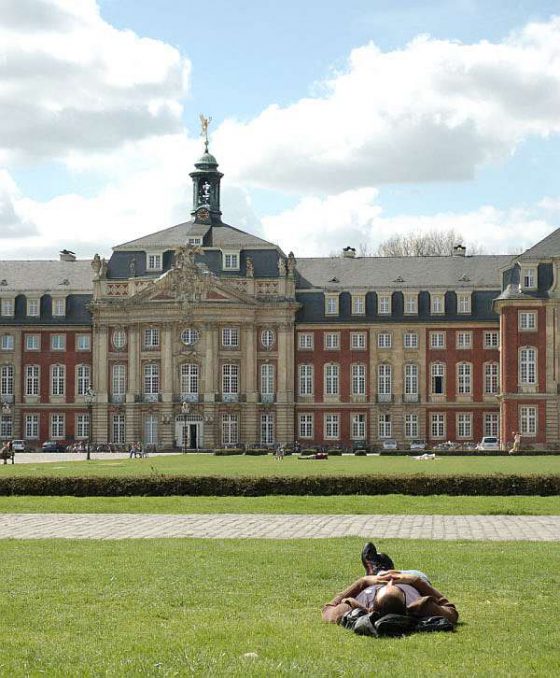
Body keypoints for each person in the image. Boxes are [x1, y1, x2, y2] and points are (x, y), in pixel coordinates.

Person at [322, 542, 458, 625]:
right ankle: (386, 570)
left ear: (374, 603)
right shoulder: (423, 608)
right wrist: (414, 581)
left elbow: (328, 608)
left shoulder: (354, 610)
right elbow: (450, 609)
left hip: (374, 580)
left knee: (380, 575)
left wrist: (363, 582)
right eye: (396, 587)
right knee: (418, 573)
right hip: (413, 580)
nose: (390, 582)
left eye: (386, 586)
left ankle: (376, 571)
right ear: (405, 601)